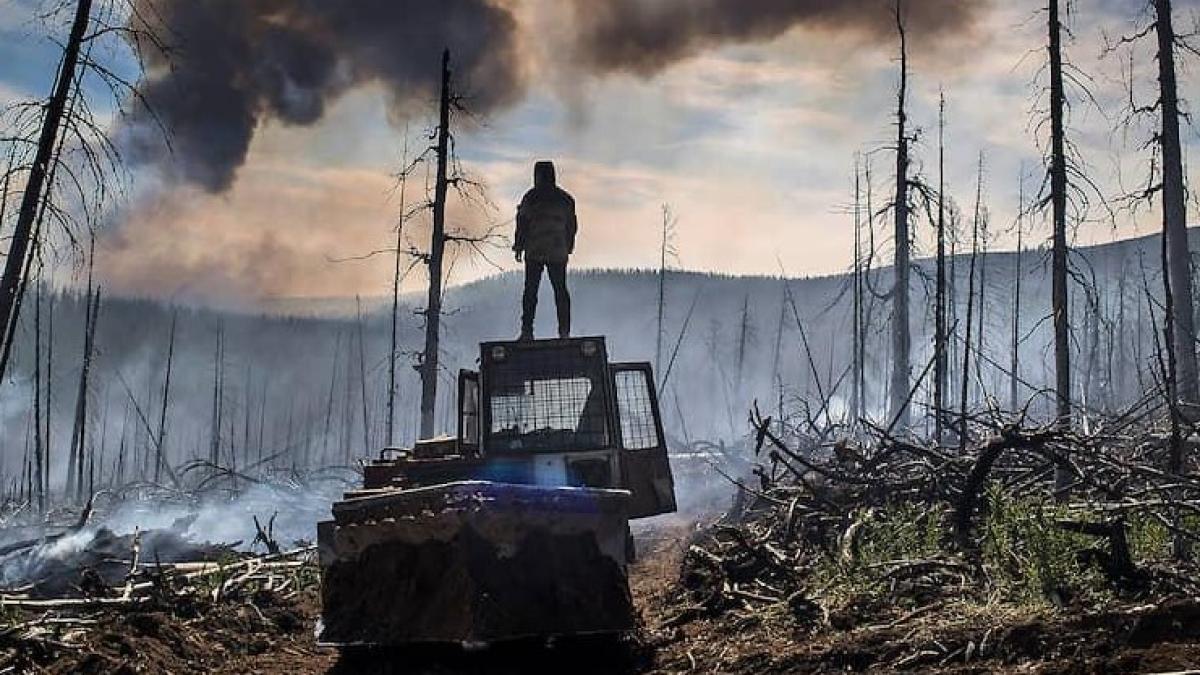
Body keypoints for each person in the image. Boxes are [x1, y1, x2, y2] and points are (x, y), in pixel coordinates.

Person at [513, 160, 577, 340]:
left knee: (530, 292)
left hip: (534, 250)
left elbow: (522, 224)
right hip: (557, 250)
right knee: (560, 291)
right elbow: (572, 226)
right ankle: (564, 332)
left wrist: (519, 246)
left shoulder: (530, 197)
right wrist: (568, 246)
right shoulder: (565, 199)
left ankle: (527, 331)